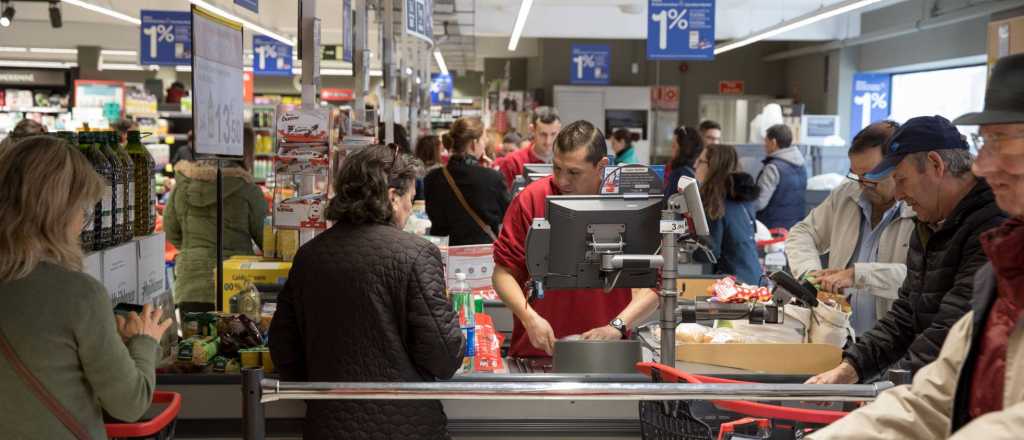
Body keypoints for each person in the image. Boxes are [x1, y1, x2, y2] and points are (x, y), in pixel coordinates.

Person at [806, 52, 1024, 440]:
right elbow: (935, 396)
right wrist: (853, 369)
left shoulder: (986, 233)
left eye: (999, 142)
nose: (983, 165)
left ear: (937, 166)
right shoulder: (1000, 265)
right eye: (982, 143)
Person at [269, 145, 464, 440]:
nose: (411, 209)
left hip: (327, 424)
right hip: (406, 426)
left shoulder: (309, 255)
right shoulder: (417, 254)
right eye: (410, 199)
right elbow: (444, 356)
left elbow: (284, 348)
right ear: (392, 197)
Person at [806, 115, 1007, 386]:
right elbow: (906, 314)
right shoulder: (928, 224)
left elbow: (952, 328)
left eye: (901, 180)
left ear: (936, 164)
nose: (898, 195)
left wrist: (893, 390)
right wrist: (852, 367)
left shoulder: (991, 227)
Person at [0, 136, 172, 439]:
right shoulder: (79, 295)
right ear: (59, 211)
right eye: (82, 208)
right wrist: (145, 342)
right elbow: (130, 403)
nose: (83, 221)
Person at [492, 120, 659, 357]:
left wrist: (617, 326)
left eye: (574, 172)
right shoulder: (532, 199)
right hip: (538, 351)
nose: (562, 181)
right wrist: (529, 317)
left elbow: (656, 284)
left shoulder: (629, 204)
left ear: (601, 166)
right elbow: (503, 273)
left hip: (608, 353)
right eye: (557, 168)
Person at [786, 121, 916, 335]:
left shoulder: (919, 208)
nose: (863, 184)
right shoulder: (846, 194)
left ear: (898, 167)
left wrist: (858, 275)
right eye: (856, 174)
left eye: (872, 175)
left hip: (893, 346)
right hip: (838, 338)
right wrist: (812, 275)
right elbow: (802, 233)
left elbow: (920, 277)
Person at [164, 142, 268, 313]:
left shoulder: (182, 186)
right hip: (236, 283)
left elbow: (170, 230)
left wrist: (194, 250)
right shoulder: (248, 190)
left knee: (195, 339)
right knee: (237, 338)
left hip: (190, 284)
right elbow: (266, 239)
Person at [424, 117, 511, 246]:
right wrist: (490, 173)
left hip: (444, 252)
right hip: (482, 256)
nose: (485, 143)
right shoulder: (493, 178)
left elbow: (434, 216)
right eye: (483, 139)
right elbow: (507, 215)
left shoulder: (432, 178)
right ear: (474, 143)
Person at [693, 144, 762, 285]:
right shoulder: (742, 200)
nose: (695, 165)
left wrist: (689, 253)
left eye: (700, 161)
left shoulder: (715, 204)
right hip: (755, 279)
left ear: (712, 168)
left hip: (734, 285)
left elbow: (709, 253)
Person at [754, 124, 808, 230]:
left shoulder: (772, 168)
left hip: (774, 229)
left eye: (766, 141)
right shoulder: (801, 165)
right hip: (795, 227)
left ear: (773, 142)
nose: (764, 145)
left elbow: (759, 203)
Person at [497, 106, 562, 189]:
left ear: (559, 130)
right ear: (532, 130)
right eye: (543, 134)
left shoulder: (568, 161)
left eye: (553, 134)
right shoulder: (513, 162)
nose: (548, 141)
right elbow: (505, 199)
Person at [664, 125, 704, 200]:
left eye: (674, 146)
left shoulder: (678, 173)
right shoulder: (700, 169)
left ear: (684, 149)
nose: (671, 150)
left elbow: (666, 204)